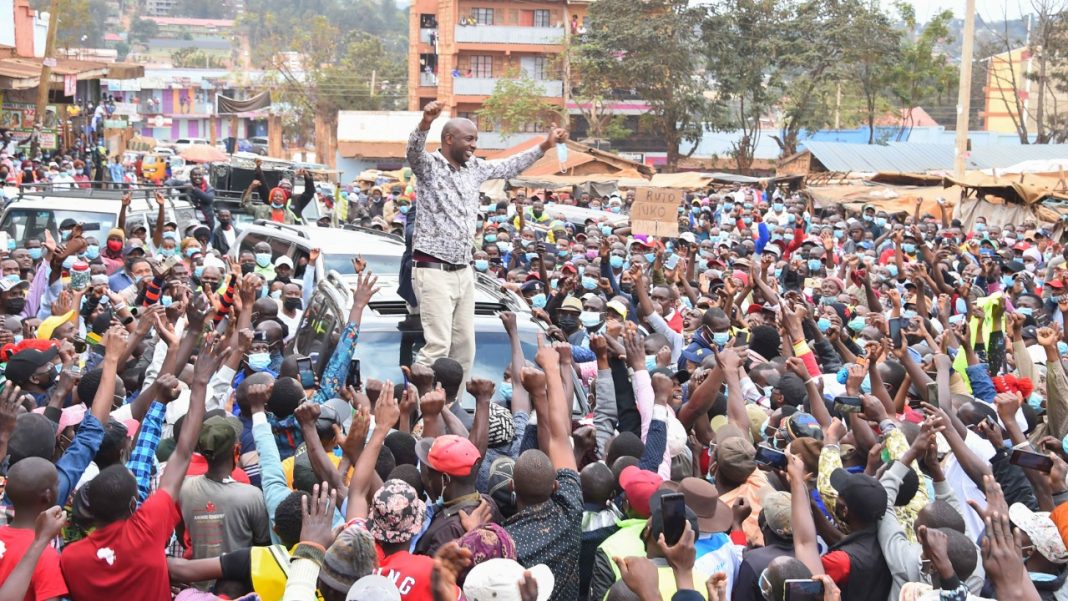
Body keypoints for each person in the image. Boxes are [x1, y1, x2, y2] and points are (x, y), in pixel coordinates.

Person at [405, 100, 567, 374]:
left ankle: (451, 407)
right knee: (437, 346)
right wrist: (425, 122)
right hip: (433, 270)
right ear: (448, 139)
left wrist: (545, 145)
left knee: (465, 348)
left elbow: (510, 166)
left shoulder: (475, 169)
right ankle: (421, 410)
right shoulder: (429, 166)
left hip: (464, 271)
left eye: (475, 140)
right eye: (469, 139)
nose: (473, 145)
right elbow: (412, 150)